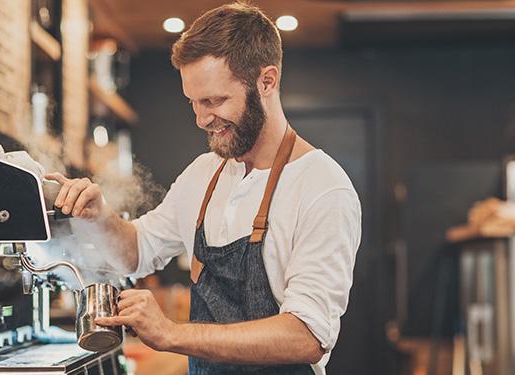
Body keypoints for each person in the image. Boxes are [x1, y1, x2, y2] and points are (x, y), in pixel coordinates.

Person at [46, 2, 361, 374]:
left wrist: (172, 334)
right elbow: (137, 251)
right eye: (193, 103)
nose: (201, 119)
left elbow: (305, 336)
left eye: (214, 101)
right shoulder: (204, 175)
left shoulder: (323, 187)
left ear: (267, 81)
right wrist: (98, 215)